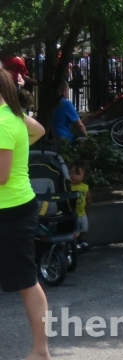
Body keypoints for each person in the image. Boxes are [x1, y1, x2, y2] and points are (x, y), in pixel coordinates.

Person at [0, 69, 52, 360]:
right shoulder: (14, 116)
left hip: (12, 213)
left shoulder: (4, 122)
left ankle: (40, 350)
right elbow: (39, 130)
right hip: (15, 208)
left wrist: (15, 147)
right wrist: (21, 147)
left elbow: (1, 176)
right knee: (25, 281)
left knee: (25, 282)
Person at [68, 162, 91, 251]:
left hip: (82, 213)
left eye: (77, 174)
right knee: (74, 229)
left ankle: (81, 240)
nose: (73, 176)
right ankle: (74, 243)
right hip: (72, 213)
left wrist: (87, 211)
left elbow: (88, 199)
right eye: (71, 173)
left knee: (84, 228)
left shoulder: (85, 187)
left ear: (84, 177)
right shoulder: (68, 187)